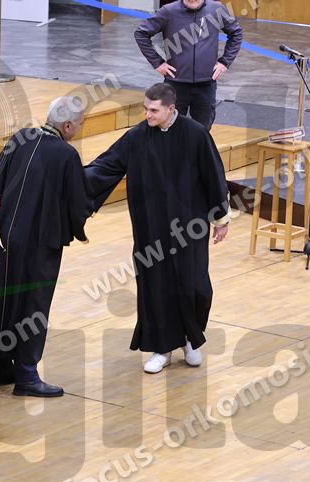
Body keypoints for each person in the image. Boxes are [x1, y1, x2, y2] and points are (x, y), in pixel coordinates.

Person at [85, 83, 229, 374]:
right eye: (145, 109)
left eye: (153, 110)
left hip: (191, 227)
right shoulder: (137, 136)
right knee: (156, 287)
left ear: (171, 109)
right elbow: (106, 166)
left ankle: (190, 339)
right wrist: (71, 179)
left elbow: (214, 175)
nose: (147, 114)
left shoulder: (196, 135)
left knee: (196, 286)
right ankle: (162, 348)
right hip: (151, 227)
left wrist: (221, 219)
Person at [0, 97, 92, 397]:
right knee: (33, 305)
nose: (80, 128)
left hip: (3, 236)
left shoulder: (20, 137)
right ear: (67, 125)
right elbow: (78, 204)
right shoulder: (66, 155)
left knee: (4, 298)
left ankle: (1, 365)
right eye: (80, 123)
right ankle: (27, 375)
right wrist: (78, 227)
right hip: (40, 244)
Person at [134, 0, 243, 129]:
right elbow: (141, 33)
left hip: (206, 85)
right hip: (176, 84)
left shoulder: (216, 9)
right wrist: (157, 63)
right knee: (171, 129)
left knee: (202, 130)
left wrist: (224, 62)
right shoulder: (168, 11)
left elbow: (236, 33)